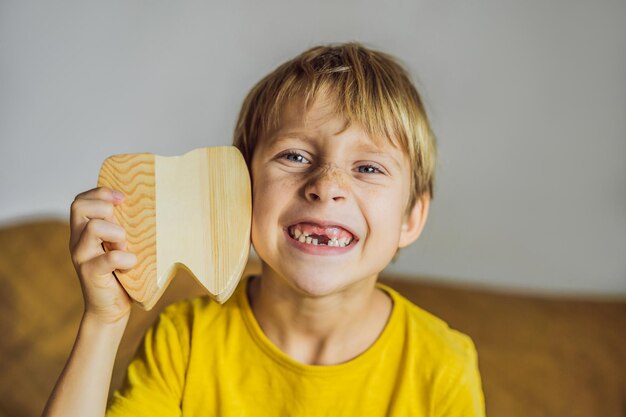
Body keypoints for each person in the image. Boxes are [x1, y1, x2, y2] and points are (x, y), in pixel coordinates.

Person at [42, 42, 485, 417]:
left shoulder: (442, 364)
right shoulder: (185, 339)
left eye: (368, 167)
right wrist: (104, 321)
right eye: (294, 156)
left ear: (411, 219)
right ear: (239, 189)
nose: (326, 186)